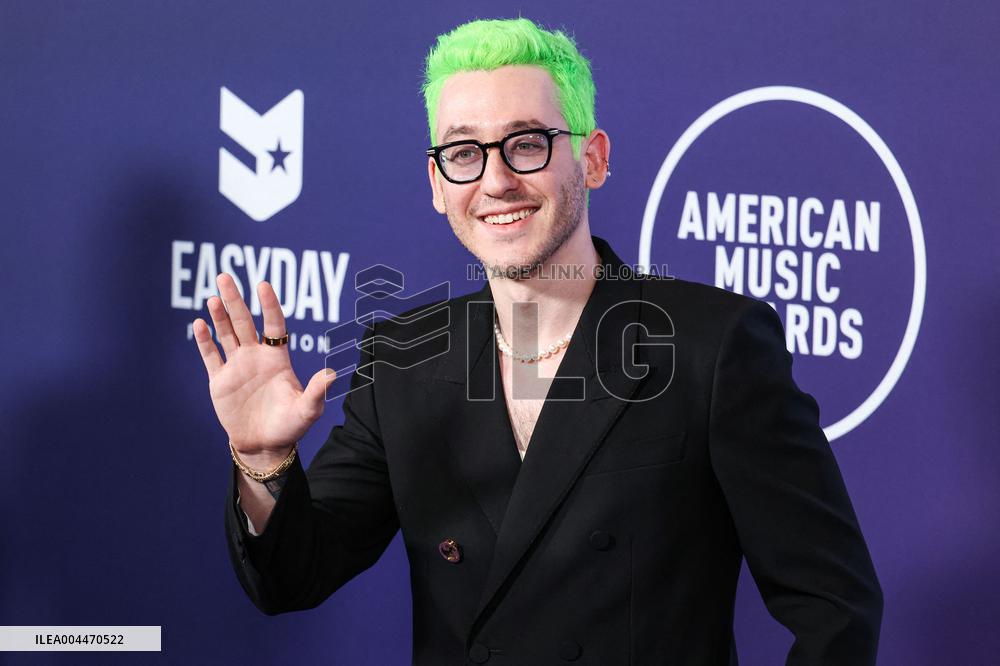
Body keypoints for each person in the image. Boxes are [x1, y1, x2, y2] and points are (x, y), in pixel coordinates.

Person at [193, 17, 883, 665]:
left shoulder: (712, 345)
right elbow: (293, 579)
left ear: (593, 158)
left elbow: (834, 606)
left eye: (525, 144)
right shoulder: (403, 357)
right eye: (464, 152)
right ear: (438, 184)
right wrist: (264, 458)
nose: (495, 181)